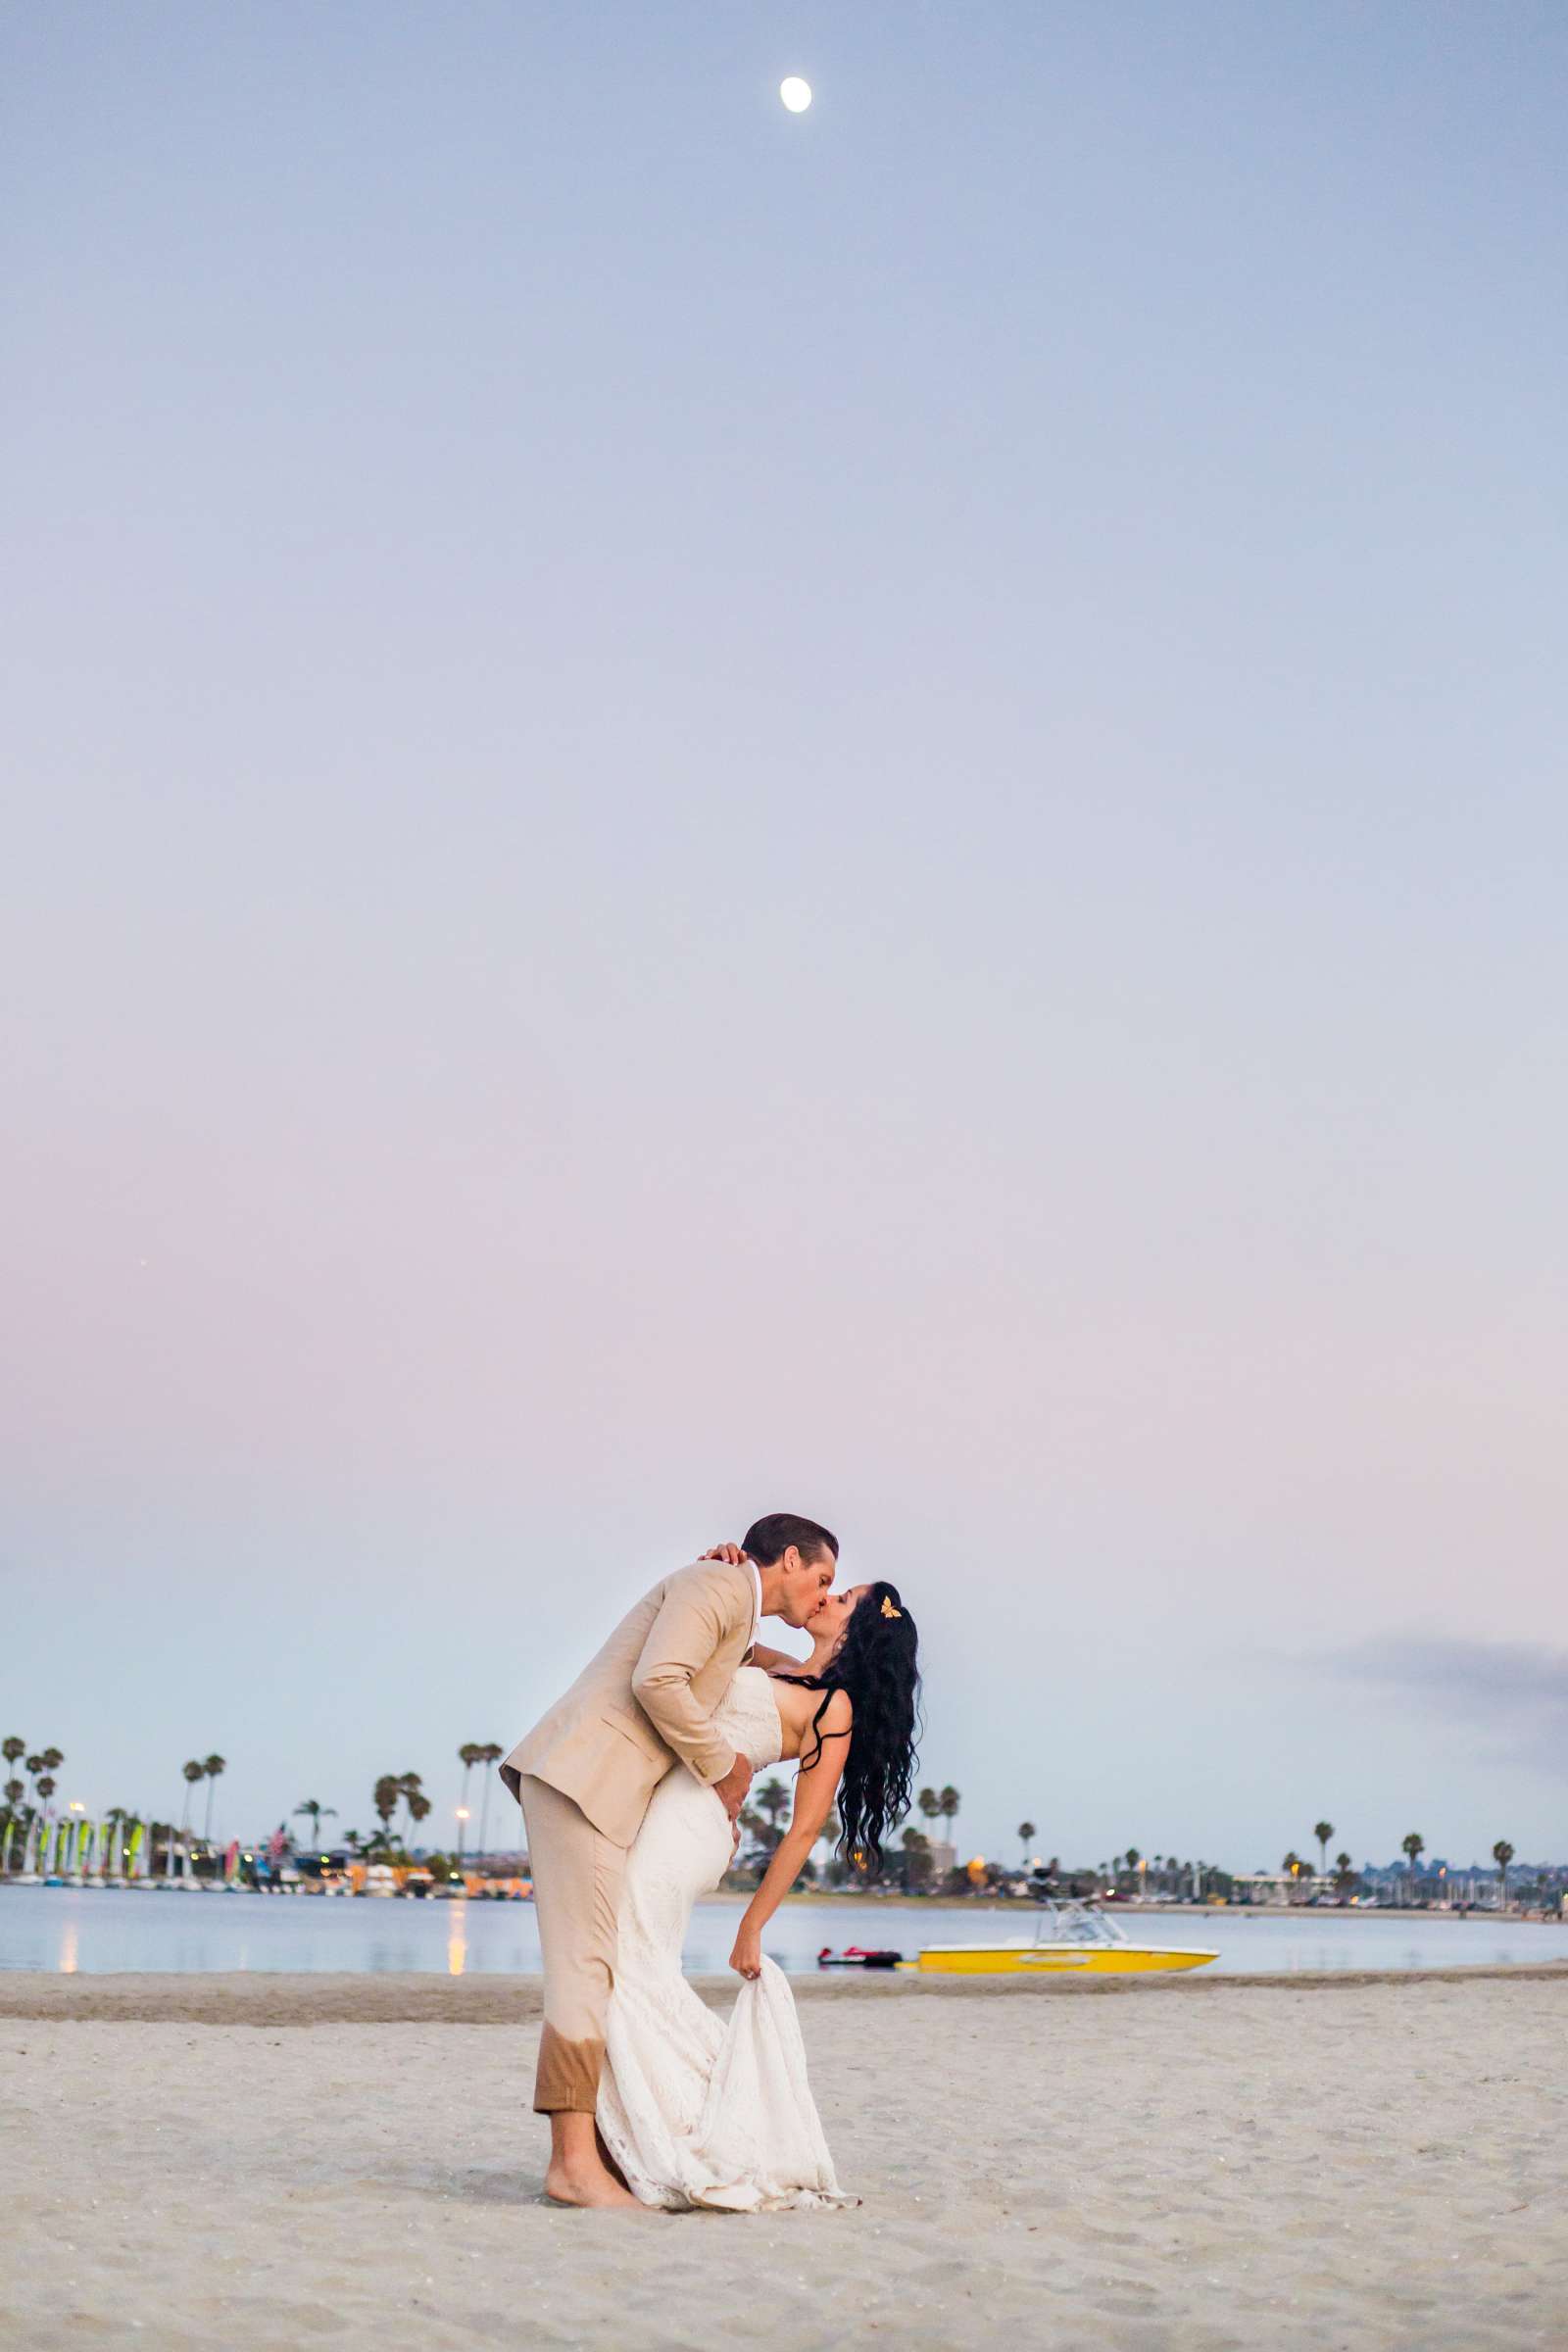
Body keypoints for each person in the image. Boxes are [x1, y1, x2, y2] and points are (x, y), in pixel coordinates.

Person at [498, 1513, 838, 2210]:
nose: (823, 1594)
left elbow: (759, 1672)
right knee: (587, 1968)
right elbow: (659, 1681)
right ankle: (571, 2166)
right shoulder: (717, 1584)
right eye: (823, 1577)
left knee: (602, 1965)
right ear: (793, 1559)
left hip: (608, 1791)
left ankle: (596, 2155)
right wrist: (724, 1770)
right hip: (581, 1778)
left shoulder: (731, 1603)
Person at [594, 1550, 920, 2210]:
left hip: (691, 1828)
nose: (825, 1598)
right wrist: (721, 1565)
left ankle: (686, 2131)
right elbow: (717, 1629)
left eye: (842, 1596)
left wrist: (753, 1924)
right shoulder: (773, 1664)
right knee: (622, 1964)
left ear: (859, 1632)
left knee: (627, 1963)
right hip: (656, 1810)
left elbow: (804, 1830)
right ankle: (633, 2140)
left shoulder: (834, 1709)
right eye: (830, 1586)